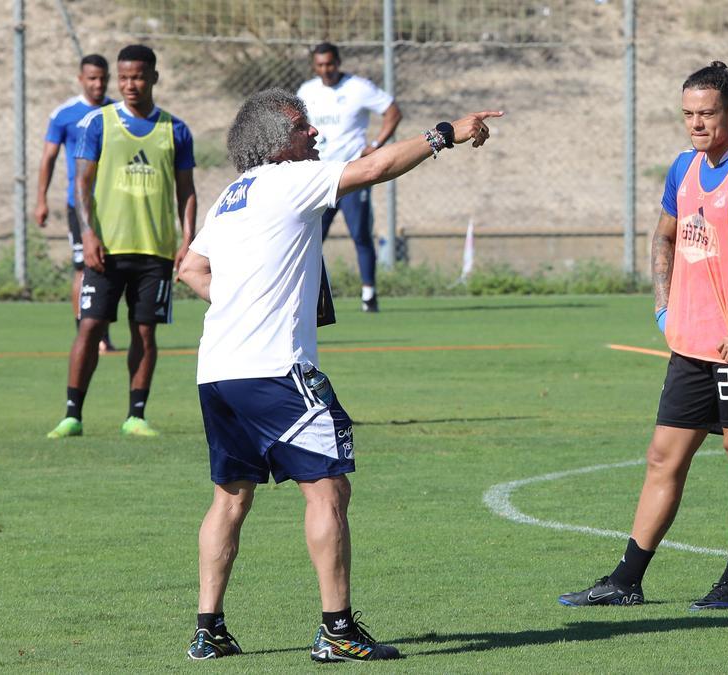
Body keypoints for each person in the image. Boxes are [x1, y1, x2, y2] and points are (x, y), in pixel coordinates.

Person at [177, 88, 500, 661]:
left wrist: (239, 300)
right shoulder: (287, 178)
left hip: (218, 371)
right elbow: (374, 167)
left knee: (230, 497)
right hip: (276, 369)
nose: (316, 136)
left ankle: (208, 629)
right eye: (305, 128)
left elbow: (191, 268)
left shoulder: (232, 194)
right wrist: (443, 134)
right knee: (328, 489)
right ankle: (337, 630)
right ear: (277, 143)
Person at [559, 62, 728, 611]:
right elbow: (664, 236)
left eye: (707, 114)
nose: (696, 124)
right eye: (688, 114)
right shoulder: (684, 167)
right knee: (661, 458)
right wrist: (662, 307)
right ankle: (626, 580)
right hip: (691, 346)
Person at [46, 44, 196, 439]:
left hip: (155, 250)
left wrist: (188, 240)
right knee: (90, 325)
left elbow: (187, 191)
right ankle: (72, 414)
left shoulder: (175, 129)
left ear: (153, 78)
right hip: (106, 248)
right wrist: (89, 232)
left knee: (144, 331)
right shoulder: (98, 123)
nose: (131, 84)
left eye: (139, 76)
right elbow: (82, 184)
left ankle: (136, 415)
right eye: (125, 77)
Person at [296, 42, 402, 312]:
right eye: (320, 65)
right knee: (311, 237)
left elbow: (392, 111)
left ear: (338, 62)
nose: (325, 70)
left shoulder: (358, 88)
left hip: (352, 174)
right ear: (313, 66)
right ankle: (309, 294)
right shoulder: (306, 91)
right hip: (319, 177)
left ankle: (369, 295)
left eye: (329, 64)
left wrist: (375, 146)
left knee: (360, 234)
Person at [35, 54, 116, 352]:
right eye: (92, 78)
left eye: (102, 78)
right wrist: (41, 200)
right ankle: (85, 332)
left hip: (111, 205)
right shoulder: (64, 115)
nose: (98, 84)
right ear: (81, 79)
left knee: (110, 266)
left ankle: (103, 335)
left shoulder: (115, 112)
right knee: (84, 266)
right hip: (79, 204)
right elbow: (48, 158)